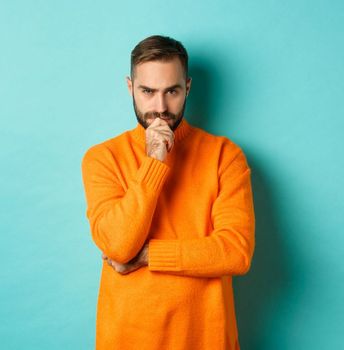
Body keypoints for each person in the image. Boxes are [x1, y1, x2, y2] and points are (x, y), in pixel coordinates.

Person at [81, 35, 255, 349]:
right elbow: (120, 247)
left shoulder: (224, 155)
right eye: (147, 91)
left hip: (205, 338)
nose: (160, 108)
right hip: (128, 338)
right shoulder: (102, 158)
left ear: (187, 87)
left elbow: (236, 252)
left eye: (171, 91)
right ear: (130, 86)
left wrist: (148, 256)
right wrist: (154, 161)